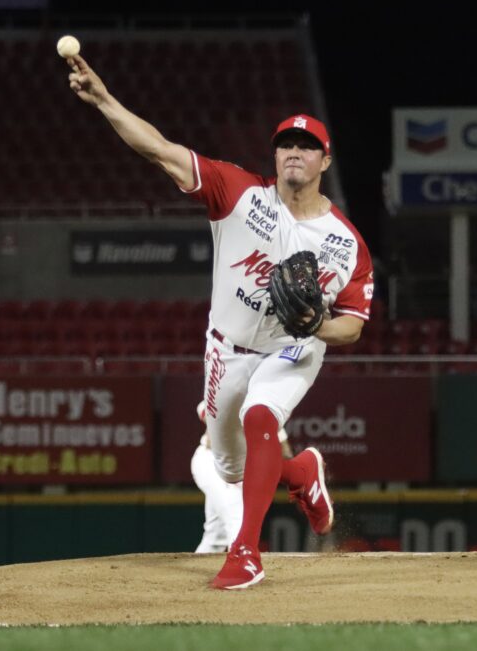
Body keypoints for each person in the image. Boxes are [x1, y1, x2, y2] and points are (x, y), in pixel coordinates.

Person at [66, 54, 374, 589]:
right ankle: (301, 474)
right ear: (274, 155)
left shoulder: (346, 243)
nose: (294, 152)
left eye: (307, 146)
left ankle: (246, 554)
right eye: (285, 144)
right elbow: (158, 150)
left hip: (293, 346)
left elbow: (352, 326)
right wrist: (105, 100)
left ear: (325, 160)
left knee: (261, 417)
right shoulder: (237, 193)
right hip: (226, 347)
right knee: (229, 469)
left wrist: (313, 326)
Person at [191, 402, 292, 554]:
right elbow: (205, 410)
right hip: (212, 462)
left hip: (238, 471)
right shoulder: (233, 396)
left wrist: (298, 484)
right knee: (237, 517)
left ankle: (194, 572)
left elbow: (285, 454)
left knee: (216, 538)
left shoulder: (267, 410)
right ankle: (240, 564)